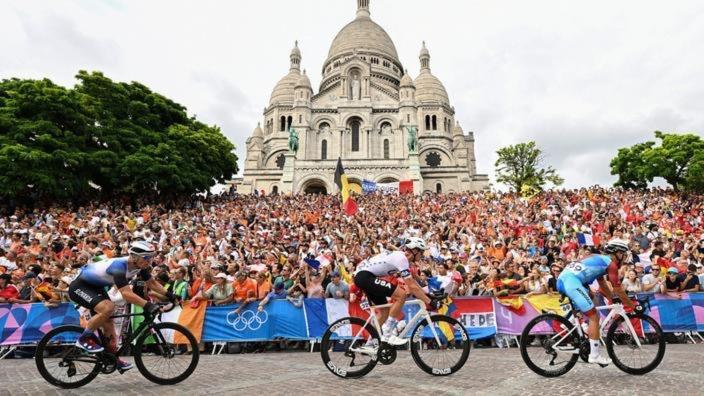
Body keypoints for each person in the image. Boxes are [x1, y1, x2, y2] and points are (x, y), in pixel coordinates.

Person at [68, 241, 176, 372]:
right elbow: (126, 294)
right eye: (147, 257)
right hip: (80, 286)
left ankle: (111, 358)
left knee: (109, 326)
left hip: (95, 287)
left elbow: (152, 283)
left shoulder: (141, 266)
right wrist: (147, 305)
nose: (150, 260)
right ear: (135, 257)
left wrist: (170, 295)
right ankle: (84, 338)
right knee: (108, 307)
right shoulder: (119, 266)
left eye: (152, 257)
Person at [556, 239, 639, 365]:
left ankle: (578, 328)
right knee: (594, 316)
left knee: (592, 296)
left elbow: (603, 284)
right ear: (617, 252)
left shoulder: (599, 259)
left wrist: (612, 298)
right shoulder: (611, 264)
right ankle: (594, 355)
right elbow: (618, 288)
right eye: (623, 253)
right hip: (571, 282)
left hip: (564, 279)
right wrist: (633, 306)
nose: (624, 257)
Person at [353, 237, 436, 346]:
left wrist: (427, 296)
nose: (422, 255)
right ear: (414, 251)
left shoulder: (402, 258)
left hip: (364, 276)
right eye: (421, 252)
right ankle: (387, 334)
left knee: (384, 311)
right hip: (365, 276)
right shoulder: (402, 259)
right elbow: (411, 286)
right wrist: (429, 301)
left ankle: (369, 344)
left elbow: (412, 283)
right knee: (401, 295)